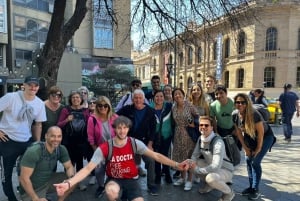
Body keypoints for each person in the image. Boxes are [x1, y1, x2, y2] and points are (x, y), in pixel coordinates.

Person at [54, 116, 187, 201]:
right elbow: (88, 168)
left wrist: (177, 164)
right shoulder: (106, 147)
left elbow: (156, 156)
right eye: (119, 128)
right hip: (114, 179)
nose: (122, 131)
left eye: (125, 128)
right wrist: (69, 183)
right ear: (114, 130)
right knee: (111, 191)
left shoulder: (134, 143)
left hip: (131, 179)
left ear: (128, 129)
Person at [0, 76, 47, 201]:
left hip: (26, 140)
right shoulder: (11, 97)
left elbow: (38, 124)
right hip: (7, 140)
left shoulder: (39, 103)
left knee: (29, 170)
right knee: (7, 173)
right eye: (30, 84)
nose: (33, 87)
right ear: (24, 85)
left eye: (35, 85)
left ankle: (27, 193)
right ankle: (11, 197)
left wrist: (37, 143)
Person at [232, 93, 275, 200]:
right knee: (248, 161)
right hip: (249, 138)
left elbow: (261, 133)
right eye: (238, 102)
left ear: (247, 103)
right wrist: (245, 148)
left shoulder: (254, 114)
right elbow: (238, 133)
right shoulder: (234, 115)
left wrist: (258, 149)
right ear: (235, 103)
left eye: (243, 102)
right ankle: (251, 187)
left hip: (265, 138)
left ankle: (255, 189)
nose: (240, 104)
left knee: (255, 162)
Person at [116, 89, 158, 195]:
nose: (138, 100)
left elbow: (153, 129)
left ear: (143, 99)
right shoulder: (127, 109)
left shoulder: (149, 111)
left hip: (144, 142)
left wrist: (150, 144)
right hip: (129, 142)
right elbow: (114, 116)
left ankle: (151, 186)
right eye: (136, 98)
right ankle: (126, 189)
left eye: (140, 98)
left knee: (150, 161)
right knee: (127, 164)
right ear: (132, 99)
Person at [18, 126, 75, 201]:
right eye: (53, 136)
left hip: (48, 181)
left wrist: (70, 179)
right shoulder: (34, 151)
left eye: (59, 136)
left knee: (75, 179)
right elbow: (23, 178)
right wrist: (35, 198)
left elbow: (69, 167)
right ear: (46, 136)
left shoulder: (61, 149)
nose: (56, 139)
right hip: (33, 188)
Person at [187, 116, 234, 201]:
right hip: (211, 166)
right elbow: (195, 155)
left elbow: (216, 166)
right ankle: (210, 185)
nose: (203, 127)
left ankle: (229, 193)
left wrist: (197, 170)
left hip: (225, 169)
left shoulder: (218, 142)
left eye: (206, 125)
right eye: (201, 125)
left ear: (212, 127)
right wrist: (191, 163)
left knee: (210, 178)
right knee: (191, 164)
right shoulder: (200, 139)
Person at [57, 90, 90, 191]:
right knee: (69, 163)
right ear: (70, 99)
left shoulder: (85, 111)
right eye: (73, 97)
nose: (75, 99)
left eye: (78, 97)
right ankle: (68, 183)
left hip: (81, 141)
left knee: (80, 163)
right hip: (68, 140)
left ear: (81, 99)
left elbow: (89, 125)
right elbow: (59, 125)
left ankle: (79, 182)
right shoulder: (66, 110)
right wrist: (67, 120)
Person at [87, 96, 118, 197]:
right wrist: (97, 152)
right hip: (100, 148)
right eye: (100, 105)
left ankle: (113, 187)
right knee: (99, 170)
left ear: (109, 107)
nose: (102, 108)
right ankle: (101, 186)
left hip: (114, 148)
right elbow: (91, 138)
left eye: (105, 106)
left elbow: (121, 133)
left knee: (114, 169)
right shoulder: (92, 119)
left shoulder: (114, 118)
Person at [172, 88, 199, 191]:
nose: (177, 96)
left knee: (190, 157)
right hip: (178, 135)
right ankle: (182, 178)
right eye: (175, 94)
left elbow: (198, 117)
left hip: (189, 135)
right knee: (181, 157)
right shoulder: (173, 107)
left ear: (183, 95)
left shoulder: (189, 105)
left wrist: (194, 124)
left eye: (179, 94)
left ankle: (190, 180)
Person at [149, 90, 174, 184]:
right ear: (153, 97)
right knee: (156, 156)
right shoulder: (149, 108)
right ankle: (158, 176)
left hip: (167, 135)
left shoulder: (169, 106)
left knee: (165, 155)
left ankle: (167, 174)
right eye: (157, 96)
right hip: (154, 136)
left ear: (164, 97)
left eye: (161, 96)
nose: (159, 98)